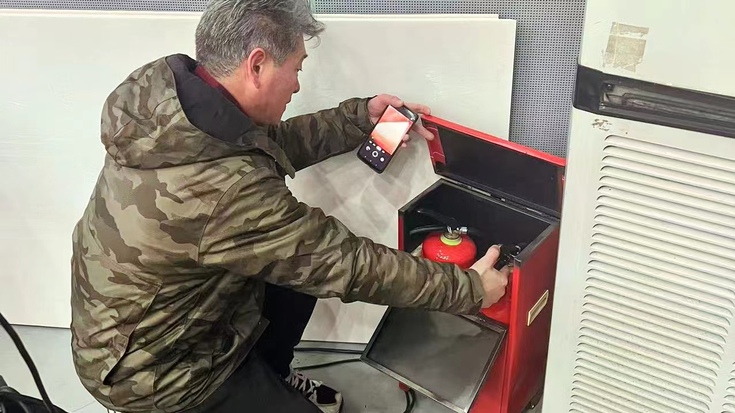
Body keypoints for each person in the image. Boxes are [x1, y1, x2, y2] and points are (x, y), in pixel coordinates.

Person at [69, 0, 511, 412]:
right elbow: (345, 263)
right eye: (296, 68)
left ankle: (273, 373)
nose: (298, 84)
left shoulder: (173, 108)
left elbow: (268, 146)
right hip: (154, 372)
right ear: (257, 65)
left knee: (295, 280)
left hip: (139, 324)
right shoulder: (227, 190)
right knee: (311, 264)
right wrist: (469, 289)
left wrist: (358, 119)